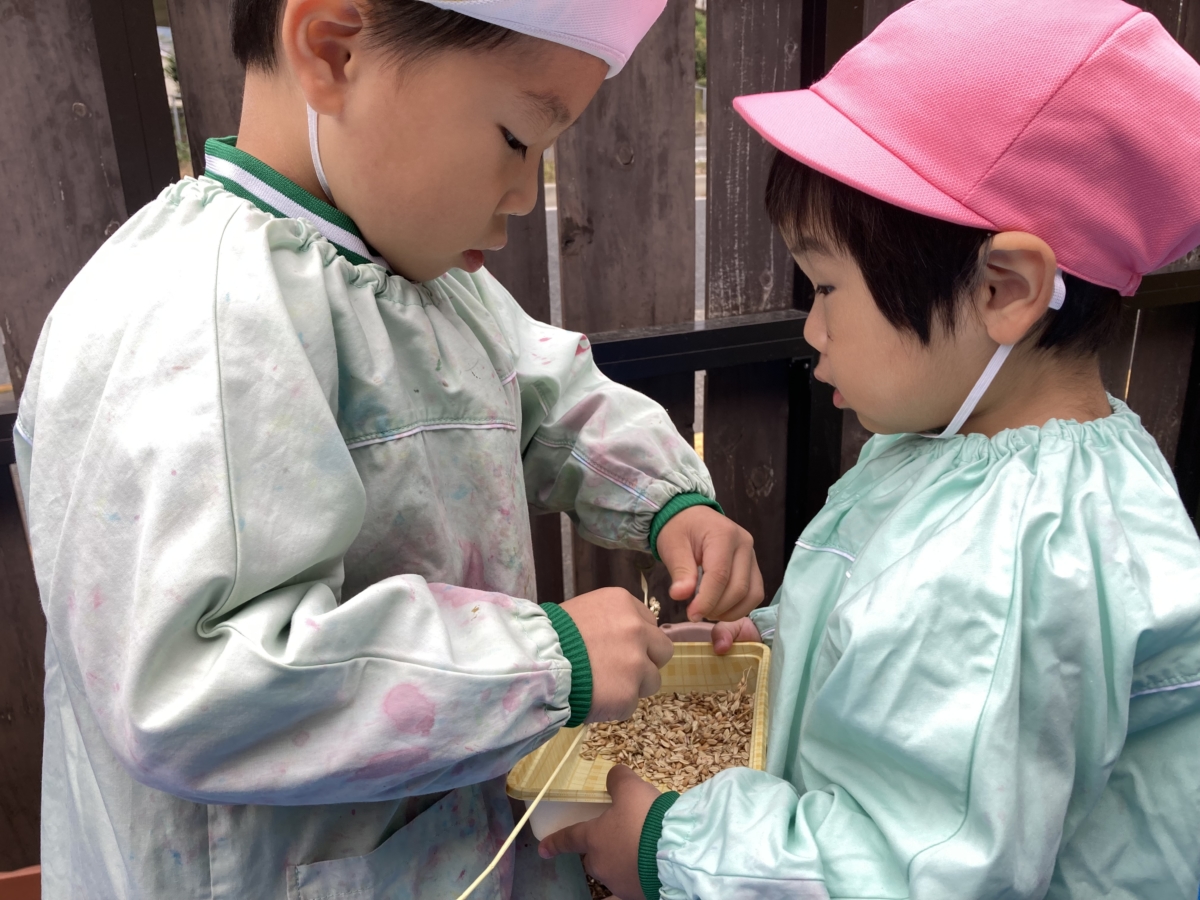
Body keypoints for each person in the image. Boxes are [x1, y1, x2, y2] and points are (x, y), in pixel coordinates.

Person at [13, 1, 767, 897]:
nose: (526, 194)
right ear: (333, 49)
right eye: (517, 138)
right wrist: (544, 661)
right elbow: (192, 684)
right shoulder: (193, 318)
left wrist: (667, 500)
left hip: (433, 840)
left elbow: (543, 389)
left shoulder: (410, 273)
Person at [539, 0, 1200, 896]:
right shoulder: (987, 445)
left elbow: (915, 867)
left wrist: (666, 846)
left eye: (825, 287)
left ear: (1004, 291)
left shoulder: (1001, 564)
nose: (812, 330)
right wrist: (780, 644)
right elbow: (908, 661)